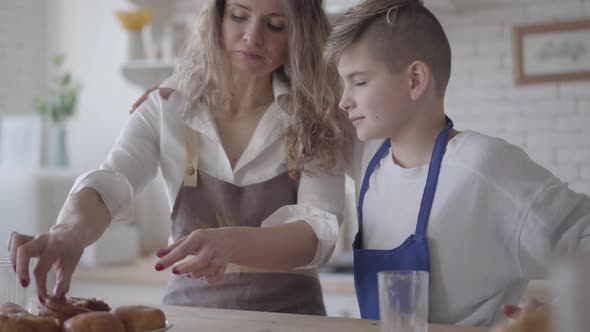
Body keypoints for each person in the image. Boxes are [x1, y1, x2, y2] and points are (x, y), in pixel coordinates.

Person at [8, 0, 351, 316]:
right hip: (189, 315)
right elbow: (111, 182)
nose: (252, 36)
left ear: (298, 34)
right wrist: (69, 233)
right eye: (238, 16)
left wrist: (229, 243)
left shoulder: (316, 116)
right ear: (216, 17)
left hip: (291, 319)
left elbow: (316, 234)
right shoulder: (167, 107)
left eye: (274, 25)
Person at [324, 0, 590, 326]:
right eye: (343, 82)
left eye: (359, 81)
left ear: (415, 79)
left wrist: (555, 312)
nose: (343, 100)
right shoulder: (370, 168)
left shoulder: (484, 166)